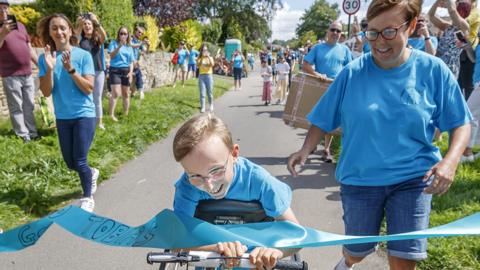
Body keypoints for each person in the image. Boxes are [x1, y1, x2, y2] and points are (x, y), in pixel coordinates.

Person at [287, 0, 472, 269]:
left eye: (389, 32)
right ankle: (348, 261)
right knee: (358, 250)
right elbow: (323, 118)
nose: (379, 42)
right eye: (372, 32)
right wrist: (305, 150)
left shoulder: (433, 71)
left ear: (410, 27)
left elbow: (461, 122)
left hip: (414, 178)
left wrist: (451, 161)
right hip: (361, 178)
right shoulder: (352, 73)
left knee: (404, 259)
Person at [172, 113, 300, 269]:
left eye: (217, 170)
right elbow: (176, 242)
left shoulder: (262, 182)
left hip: (256, 262)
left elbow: (296, 235)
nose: (210, 186)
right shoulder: (186, 186)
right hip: (212, 260)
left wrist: (275, 252)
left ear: (234, 154)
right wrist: (214, 249)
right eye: (195, 176)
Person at [37, 13, 100, 212]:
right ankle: (91, 173)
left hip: (84, 115)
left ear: (70, 30)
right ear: (49, 33)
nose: (59, 32)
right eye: (54, 28)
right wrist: (49, 69)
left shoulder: (83, 55)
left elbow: (89, 88)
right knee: (71, 163)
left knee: (80, 160)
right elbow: (46, 91)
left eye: (63, 27)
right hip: (63, 117)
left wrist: (70, 69)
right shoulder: (45, 58)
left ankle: (88, 197)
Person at [303, 21, 353, 163]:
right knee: (316, 117)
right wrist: (317, 74)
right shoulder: (318, 48)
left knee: (332, 118)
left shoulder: (345, 50)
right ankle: (309, 146)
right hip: (320, 87)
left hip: (337, 88)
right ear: (327, 31)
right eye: (333, 30)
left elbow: (350, 68)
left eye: (339, 31)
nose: (335, 33)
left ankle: (326, 149)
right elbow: (305, 64)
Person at [0, 0, 39, 142]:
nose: (3, 11)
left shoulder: (20, 26)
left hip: (27, 73)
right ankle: (23, 135)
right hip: (10, 75)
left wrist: (40, 65)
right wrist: (3, 33)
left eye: (5, 8)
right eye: (0, 9)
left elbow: (29, 48)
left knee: (29, 105)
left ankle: (33, 133)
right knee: (16, 107)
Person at [75, 12, 107, 130]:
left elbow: (105, 36)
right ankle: (87, 121)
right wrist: (79, 24)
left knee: (97, 98)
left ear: (93, 27)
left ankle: (99, 123)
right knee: (86, 97)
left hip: (98, 71)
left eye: (89, 24)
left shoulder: (98, 39)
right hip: (85, 72)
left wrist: (96, 21)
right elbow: (74, 39)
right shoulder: (80, 40)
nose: (87, 26)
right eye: (85, 24)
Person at [429, 0, 470, 77]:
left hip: (450, 68)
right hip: (438, 64)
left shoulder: (465, 26)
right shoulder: (448, 27)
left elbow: (452, 11)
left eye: (456, 4)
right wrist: (437, 2)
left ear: (461, 9)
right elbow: (431, 15)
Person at [107, 26, 134, 121]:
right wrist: (119, 46)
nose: (123, 35)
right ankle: (111, 115)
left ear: (128, 35)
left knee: (126, 94)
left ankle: (125, 114)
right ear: (118, 34)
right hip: (115, 70)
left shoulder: (129, 47)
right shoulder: (113, 43)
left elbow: (131, 61)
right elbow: (111, 56)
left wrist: (130, 73)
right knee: (116, 93)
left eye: (125, 33)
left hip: (126, 70)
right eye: (121, 33)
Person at [130, 25, 148, 100]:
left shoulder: (139, 41)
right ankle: (139, 91)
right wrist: (142, 43)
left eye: (142, 33)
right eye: (139, 32)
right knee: (134, 77)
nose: (140, 34)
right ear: (135, 31)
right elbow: (131, 45)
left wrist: (148, 46)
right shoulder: (130, 38)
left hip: (135, 63)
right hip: (128, 62)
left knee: (137, 75)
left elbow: (144, 52)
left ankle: (139, 91)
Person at [197, 43, 214, 113]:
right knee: (202, 93)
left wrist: (208, 56)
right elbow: (198, 65)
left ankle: (211, 104)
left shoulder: (210, 57)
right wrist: (202, 57)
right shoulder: (199, 58)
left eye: (206, 50)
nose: (205, 51)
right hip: (201, 76)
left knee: (209, 92)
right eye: (203, 50)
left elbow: (212, 64)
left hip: (209, 76)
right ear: (201, 51)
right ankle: (203, 107)